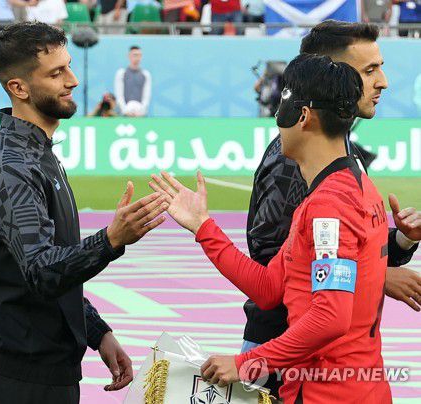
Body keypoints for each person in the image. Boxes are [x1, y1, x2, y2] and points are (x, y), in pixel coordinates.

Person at [150, 53, 393, 403]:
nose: (277, 124)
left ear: (302, 116)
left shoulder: (329, 205)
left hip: (329, 394)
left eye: (282, 108)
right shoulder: (349, 189)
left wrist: (247, 363)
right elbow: (269, 288)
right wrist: (203, 227)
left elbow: (331, 317)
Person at [0, 22, 169, 404]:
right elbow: (42, 271)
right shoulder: (12, 166)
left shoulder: (38, 153)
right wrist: (111, 240)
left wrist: (97, 332)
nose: (72, 80)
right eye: (56, 73)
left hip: (47, 371)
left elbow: (48, 265)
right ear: (19, 88)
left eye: (69, 66)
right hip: (18, 380)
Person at [242, 20, 421, 398]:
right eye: (369, 71)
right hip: (284, 355)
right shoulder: (293, 159)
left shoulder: (343, 154)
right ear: (331, 77)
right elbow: (272, 258)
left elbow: (347, 244)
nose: (383, 82)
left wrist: (401, 241)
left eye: (380, 67)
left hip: (329, 364)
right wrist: (377, 278)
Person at [114, 45, 152, 116]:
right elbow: (119, 95)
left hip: (140, 114)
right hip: (124, 114)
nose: (137, 58)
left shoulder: (146, 75)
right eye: (135, 55)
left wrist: (141, 111)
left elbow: (146, 97)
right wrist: (125, 111)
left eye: (139, 55)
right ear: (129, 56)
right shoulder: (121, 73)